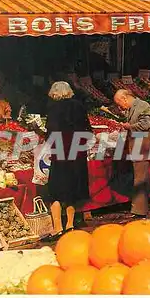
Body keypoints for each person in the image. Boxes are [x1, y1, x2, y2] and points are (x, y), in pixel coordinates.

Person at [45, 81, 92, 238]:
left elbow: (51, 132)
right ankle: (70, 224)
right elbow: (88, 129)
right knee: (73, 189)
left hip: (60, 153)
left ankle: (57, 227)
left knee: (55, 191)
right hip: (77, 152)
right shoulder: (79, 106)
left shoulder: (53, 108)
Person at [113, 89, 150, 218]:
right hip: (136, 146)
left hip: (143, 146)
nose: (120, 107)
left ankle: (139, 211)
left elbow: (146, 124)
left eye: (119, 103)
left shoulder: (143, 105)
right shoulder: (131, 108)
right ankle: (144, 203)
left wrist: (129, 127)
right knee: (141, 176)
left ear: (125, 98)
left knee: (140, 178)